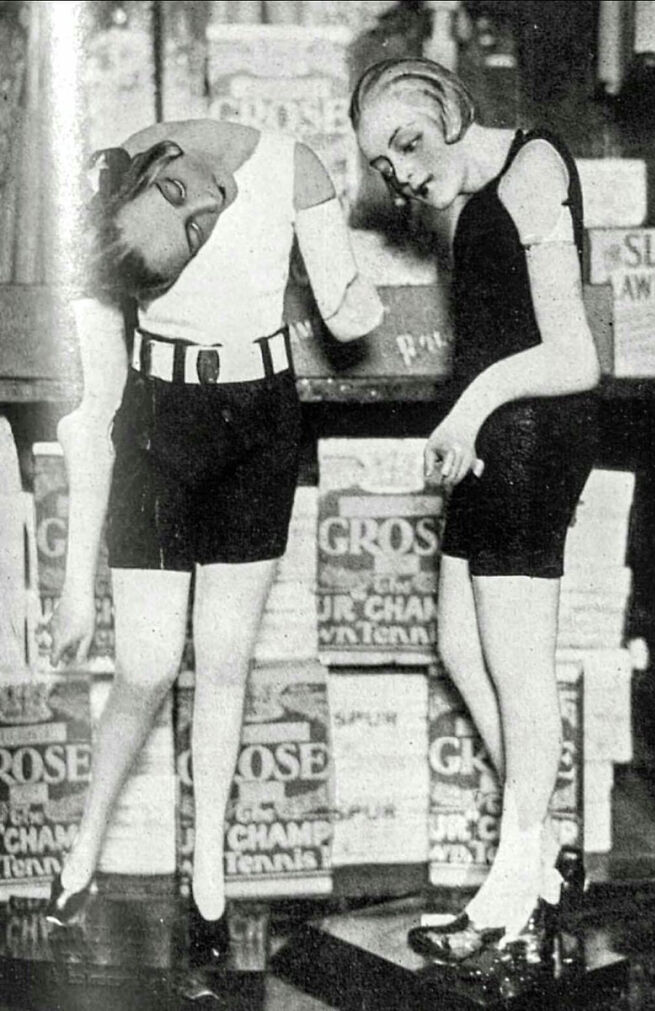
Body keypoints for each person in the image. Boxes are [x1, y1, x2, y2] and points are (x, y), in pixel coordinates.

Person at [46, 119, 382, 964]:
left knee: (225, 660)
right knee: (149, 667)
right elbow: (93, 400)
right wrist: (75, 585)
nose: (205, 216)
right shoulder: (122, 170)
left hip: (261, 422)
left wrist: (349, 278)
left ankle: (208, 871)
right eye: (188, 219)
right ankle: (83, 844)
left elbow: (349, 317)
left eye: (197, 217)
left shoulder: (291, 164)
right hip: (159, 420)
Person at [351, 59, 600, 970]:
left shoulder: (534, 169)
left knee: (520, 670)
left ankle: (512, 895)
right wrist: (468, 415)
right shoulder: (475, 194)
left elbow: (573, 354)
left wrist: (466, 408)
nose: (403, 174)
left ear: (448, 111)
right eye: (384, 164)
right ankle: (542, 850)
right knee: (463, 644)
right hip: (495, 436)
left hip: (530, 435)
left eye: (408, 144)